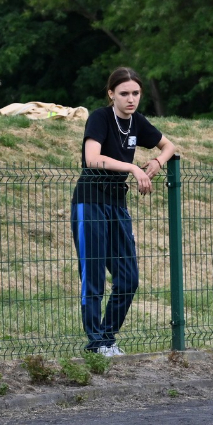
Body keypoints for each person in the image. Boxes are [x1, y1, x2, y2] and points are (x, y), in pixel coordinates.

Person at [72, 68, 177, 356]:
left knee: (128, 279)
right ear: (111, 94)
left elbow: (169, 146)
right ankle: (96, 344)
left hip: (118, 204)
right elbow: (92, 159)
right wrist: (132, 167)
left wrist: (157, 161)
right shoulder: (100, 118)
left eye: (136, 93)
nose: (131, 99)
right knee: (93, 276)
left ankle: (107, 338)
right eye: (124, 93)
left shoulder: (137, 122)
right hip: (90, 202)